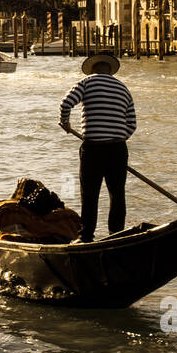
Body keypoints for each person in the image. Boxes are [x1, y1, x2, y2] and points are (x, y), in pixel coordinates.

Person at [58, 52, 136, 243]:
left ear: (92, 70)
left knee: (90, 194)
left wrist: (65, 123)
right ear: (110, 71)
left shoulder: (86, 82)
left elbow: (66, 103)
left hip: (93, 148)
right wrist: (116, 137)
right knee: (117, 194)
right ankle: (116, 236)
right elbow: (132, 124)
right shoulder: (123, 88)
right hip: (118, 149)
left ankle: (86, 237)